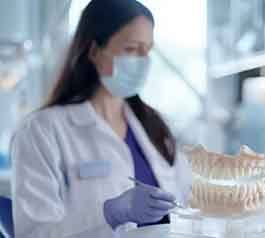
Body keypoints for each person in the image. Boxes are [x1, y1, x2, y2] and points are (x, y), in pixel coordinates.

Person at [10, 0, 191, 237]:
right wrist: (109, 214)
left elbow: (187, 202)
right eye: (131, 49)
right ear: (94, 51)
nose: (142, 61)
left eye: (147, 50)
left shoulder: (153, 126)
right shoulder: (41, 130)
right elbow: (34, 233)